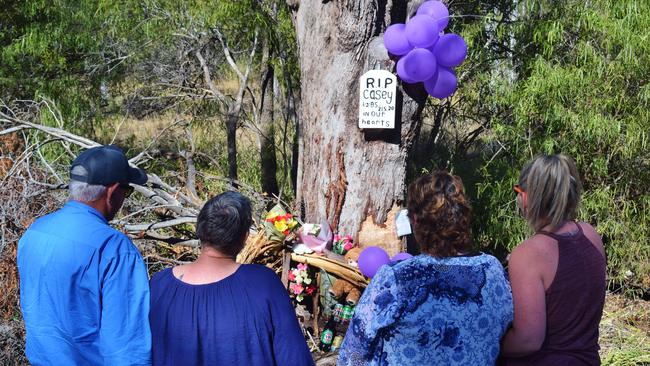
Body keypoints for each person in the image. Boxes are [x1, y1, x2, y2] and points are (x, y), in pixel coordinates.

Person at [338, 171, 514, 366]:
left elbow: (353, 353)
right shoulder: (492, 270)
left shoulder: (397, 279)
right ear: (463, 215)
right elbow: (507, 330)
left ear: (415, 220)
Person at [17, 145, 152, 365]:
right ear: (112, 191)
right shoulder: (114, 248)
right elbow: (126, 346)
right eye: (127, 191)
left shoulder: (35, 231)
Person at [149, 191, 314, 366]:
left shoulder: (160, 285)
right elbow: (294, 358)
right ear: (244, 238)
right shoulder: (263, 284)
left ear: (200, 229)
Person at [501, 154, 606, 365]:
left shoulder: (528, 254)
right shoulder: (590, 235)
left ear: (527, 197)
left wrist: (491, 345)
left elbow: (528, 340)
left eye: (518, 192)